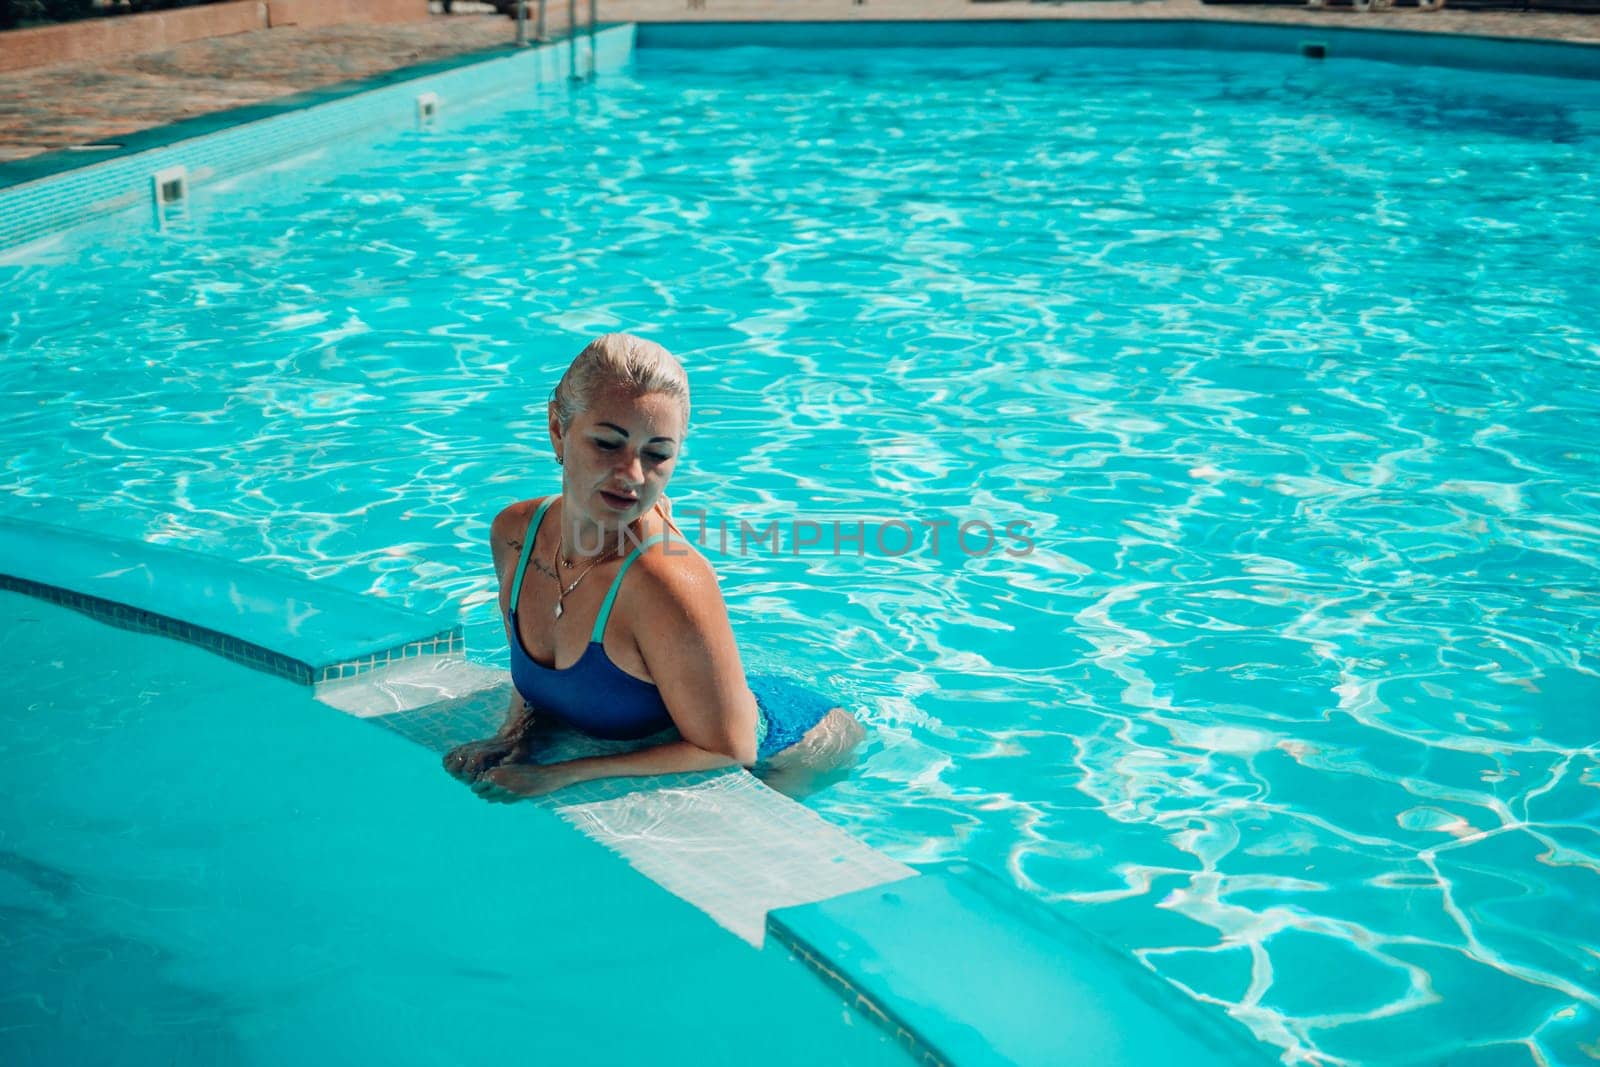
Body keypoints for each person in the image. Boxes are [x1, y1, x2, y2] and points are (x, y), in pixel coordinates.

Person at [443, 333, 863, 801]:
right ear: (558, 430)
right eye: (608, 443)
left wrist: (562, 773)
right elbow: (535, 681)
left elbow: (731, 748)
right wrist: (514, 735)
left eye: (657, 453)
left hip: (791, 751)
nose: (633, 476)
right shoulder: (516, 534)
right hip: (715, 698)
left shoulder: (665, 580)